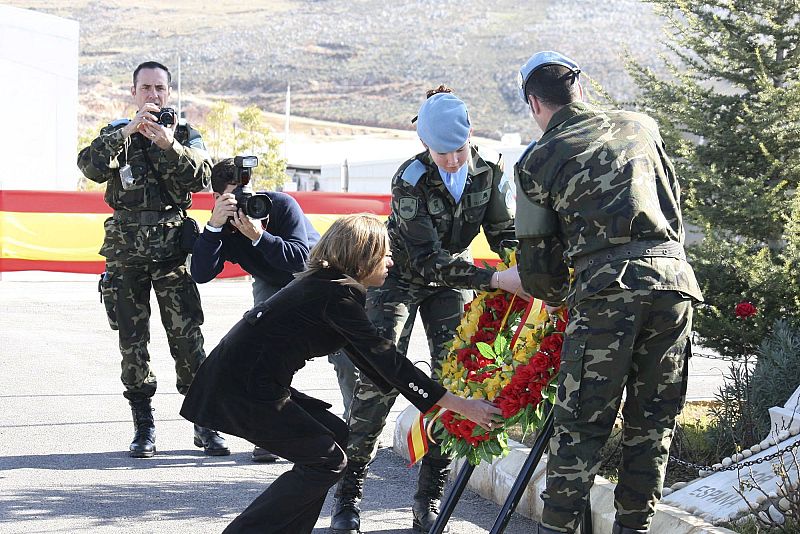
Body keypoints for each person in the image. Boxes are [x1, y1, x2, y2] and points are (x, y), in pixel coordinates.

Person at [179, 213, 504, 534]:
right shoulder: (336, 296)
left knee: (334, 436)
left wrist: (425, 397)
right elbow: (387, 359)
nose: (391, 262)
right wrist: (460, 405)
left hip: (245, 382)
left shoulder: (329, 286)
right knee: (326, 460)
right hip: (241, 390)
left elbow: (375, 362)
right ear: (362, 257)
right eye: (385, 255)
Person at [513, 51, 704, 534]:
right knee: (652, 425)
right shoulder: (642, 126)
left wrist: (563, 290)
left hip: (605, 295)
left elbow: (540, 273)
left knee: (580, 426)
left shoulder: (537, 160)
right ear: (581, 88)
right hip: (673, 284)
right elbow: (672, 208)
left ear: (534, 103)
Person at [330, 87, 526, 534]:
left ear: (470, 136)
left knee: (453, 380)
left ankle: (429, 497)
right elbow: (424, 259)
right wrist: (496, 279)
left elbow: (505, 233)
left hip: (451, 281)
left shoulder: (490, 172)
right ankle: (348, 495)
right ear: (424, 143)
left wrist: (525, 268)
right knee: (379, 377)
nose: (453, 161)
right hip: (398, 276)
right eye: (442, 153)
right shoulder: (410, 178)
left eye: (459, 150)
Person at [77, 61, 228, 458]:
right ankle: (143, 426)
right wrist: (126, 133)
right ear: (134, 92)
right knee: (132, 341)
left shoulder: (185, 134)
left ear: (169, 92)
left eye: (159, 88)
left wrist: (168, 144)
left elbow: (204, 178)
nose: (153, 95)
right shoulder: (116, 133)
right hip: (125, 254)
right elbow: (90, 168)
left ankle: (204, 423)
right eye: (146, 88)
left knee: (188, 339)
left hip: (172, 253)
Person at [190, 158, 358, 462]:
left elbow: (300, 260)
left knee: (346, 354)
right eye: (236, 197)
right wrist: (214, 227)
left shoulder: (279, 205)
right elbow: (201, 273)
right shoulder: (222, 224)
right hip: (271, 283)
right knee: (263, 355)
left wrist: (259, 236)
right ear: (218, 198)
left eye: (249, 193)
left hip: (319, 277)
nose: (247, 203)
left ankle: (358, 429)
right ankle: (271, 431)